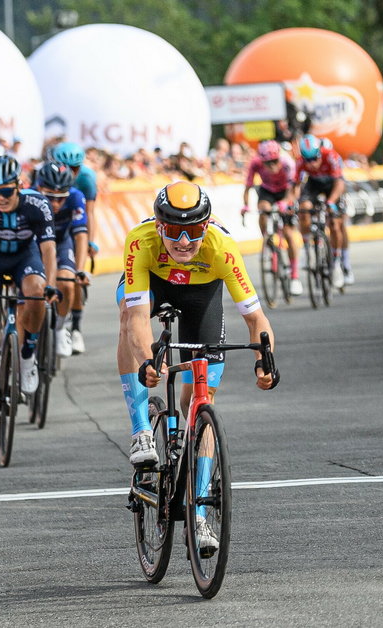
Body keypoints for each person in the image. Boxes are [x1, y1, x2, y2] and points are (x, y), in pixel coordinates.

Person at [117, 181, 277, 552]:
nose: (185, 241)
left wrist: (263, 360)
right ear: (159, 227)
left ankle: (200, 515)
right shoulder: (140, 240)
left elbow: (256, 320)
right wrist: (147, 360)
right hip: (153, 288)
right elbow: (140, 318)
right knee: (126, 316)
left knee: (201, 402)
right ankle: (142, 429)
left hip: (201, 298)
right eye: (174, 231)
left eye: (194, 231)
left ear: (206, 227)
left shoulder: (222, 248)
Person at [0, 155, 59, 442]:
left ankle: (28, 353)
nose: (0, 198)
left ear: (19, 185)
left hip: (24, 259)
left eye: (6, 191)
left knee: (36, 292)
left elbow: (49, 251)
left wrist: (51, 285)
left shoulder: (37, 205)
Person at [33, 161, 90, 358]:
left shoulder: (76, 197)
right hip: (34, 243)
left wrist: (80, 270)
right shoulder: (28, 197)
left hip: (61, 242)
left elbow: (81, 236)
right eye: (49, 197)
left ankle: (59, 328)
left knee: (66, 281)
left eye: (60, 198)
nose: (55, 204)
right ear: (39, 188)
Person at [51, 142, 96, 354]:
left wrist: (90, 242)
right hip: (50, 226)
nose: (71, 172)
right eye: (66, 167)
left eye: (75, 168)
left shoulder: (86, 179)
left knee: (75, 275)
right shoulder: (45, 175)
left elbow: (90, 212)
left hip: (73, 225)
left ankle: (75, 328)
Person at [241, 140, 302, 296]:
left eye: (275, 161)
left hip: (285, 191)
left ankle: (295, 276)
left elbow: (294, 189)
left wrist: (287, 203)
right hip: (267, 190)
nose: (273, 166)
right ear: (262, 161)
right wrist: (246, 205)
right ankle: (268, 239)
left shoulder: (287, 162)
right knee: (263, 210)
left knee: (289, 233)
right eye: (268, 163)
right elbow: (248, 187)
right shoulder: (255, 163)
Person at [294, 134, 352, 287]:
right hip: (314, 184)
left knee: (335, 224)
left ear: (320, 152)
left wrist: (331, 202)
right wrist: (294, 203)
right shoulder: (300, 162)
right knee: (303, 210)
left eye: (315, 159)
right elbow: (295, 185)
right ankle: (307, 250)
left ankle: (339, 263)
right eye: (308, 160)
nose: (312, 164)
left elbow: (339, 183)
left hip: (333, 186)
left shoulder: (331, 156)